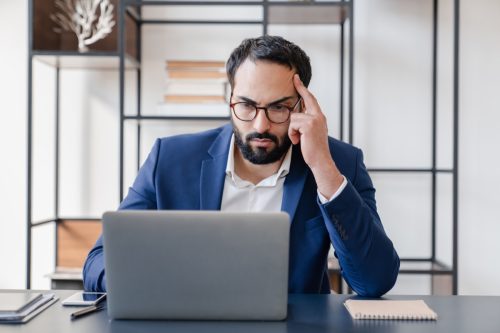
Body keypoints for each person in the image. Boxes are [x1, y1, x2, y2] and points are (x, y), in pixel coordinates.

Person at [83, 35, 399, 297]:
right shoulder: (170, 159)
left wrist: (323, 167)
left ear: (303, 106)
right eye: (247, 105)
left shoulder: (339, 164)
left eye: (279, 108)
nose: (260, 124)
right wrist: (145, 288)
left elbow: (374, 281)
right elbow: (98, 261)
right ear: (230, 99)